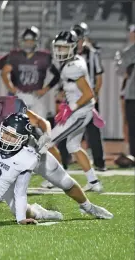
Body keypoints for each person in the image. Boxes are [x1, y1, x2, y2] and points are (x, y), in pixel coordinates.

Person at [0, 82, 113, 219]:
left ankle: (88, 206)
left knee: (65, 181)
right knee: (19, 210)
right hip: (3, 163)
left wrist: (46, 135)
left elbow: (40, 121)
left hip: (28, 149)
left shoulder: (11, 106)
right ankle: (41, 213)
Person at [49, 30, 105, 193]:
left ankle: (58, 179)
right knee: (73, 146)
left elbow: (88, 94)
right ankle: (94, 182)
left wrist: (71, 108)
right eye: (58, 47)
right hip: (81, 110)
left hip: (79, 112)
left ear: (73, 48)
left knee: (47, 142)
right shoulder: (75, 61)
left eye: (64, 48)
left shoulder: (72, 67)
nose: (60, 51)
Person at [71, 22, 107, 172]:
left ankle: (99, 162)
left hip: (87, 97)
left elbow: (98, 77)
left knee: (93, 131)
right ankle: (64, 161)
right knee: (66, 129)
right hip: (72, 96)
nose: (78, 42)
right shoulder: (68, 54)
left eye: (80, 39)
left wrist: (95, 93)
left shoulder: (92, 54)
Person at [116, 25, 135, 161]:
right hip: (131, 94)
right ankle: (133, 154)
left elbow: (121, 70)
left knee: (132, 125)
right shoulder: (128, 51)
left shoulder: (129, 51)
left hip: (132, 94)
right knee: (131, 125)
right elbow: (121, 71)